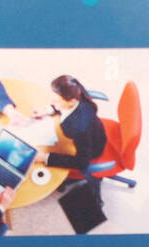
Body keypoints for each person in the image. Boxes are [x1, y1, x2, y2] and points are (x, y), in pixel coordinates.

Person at [40, 74, 108, 205]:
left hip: (93, 146)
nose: (52, 103)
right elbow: (60, 103)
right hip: (94, 131)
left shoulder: (79, 127)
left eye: (56, 101)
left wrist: (46, 158)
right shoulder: (78, 93)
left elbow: (82, 162)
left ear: (71, 101)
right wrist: (47, 110)